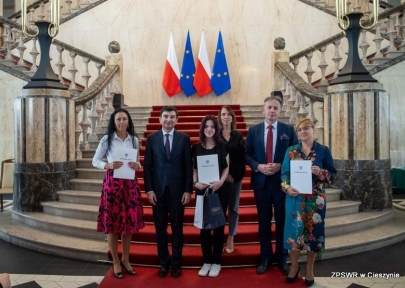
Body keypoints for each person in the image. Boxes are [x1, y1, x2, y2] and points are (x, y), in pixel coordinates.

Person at [245, 91, 298, 275]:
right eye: (269, 108)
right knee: (264, 222)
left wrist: (280, 166)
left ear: (280, 111)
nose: (272, 111)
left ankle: (281, 258)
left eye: (276, 108)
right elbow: (247, 154)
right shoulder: (253, 131)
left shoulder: (288, 131)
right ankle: (265, 257)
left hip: (282, 184)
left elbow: (296, 155)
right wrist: (258, 166)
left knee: (282, 222)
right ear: (263, 110)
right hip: (261, 184)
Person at [281, 118, 336, 286]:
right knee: (293, 235)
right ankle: (294, 267)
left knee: (314, 235)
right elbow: (284, 175)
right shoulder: (291, 151)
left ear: (313, 130)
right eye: (299, 129)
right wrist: (287, 187)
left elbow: (332, 175)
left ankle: (310, 269)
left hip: (315, 202)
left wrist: (321, 172)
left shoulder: (323, 151)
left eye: (306, 128)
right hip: (295, 199)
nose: (303, 132)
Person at [92, 108, 144, 279]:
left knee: (128, 223)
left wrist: (138, 166)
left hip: (129, 184)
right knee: (112, 223)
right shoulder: (107, 140)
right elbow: (95, 160)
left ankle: (126, 259)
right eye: (118, 119)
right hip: (112, 185)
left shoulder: (134, 140)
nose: (121, 122)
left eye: (124, 119)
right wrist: (106, 165)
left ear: (128, 121)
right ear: (113, 122)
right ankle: (115, 260)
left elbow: (136, 162)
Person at [143, 106, 193, 278]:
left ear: (176, 120)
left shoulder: (184, 138)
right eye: (165, 116)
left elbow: (188, 167)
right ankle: (164, 263)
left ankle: (176, 264)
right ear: (160, 119)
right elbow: (147, 166)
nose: (169, 120)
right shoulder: (152, 138)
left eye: (172, 117)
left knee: (178, 229)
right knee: (160, 229)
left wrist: (188, 190)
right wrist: (149, 189)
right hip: (158, 192)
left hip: (178, 192)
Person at [193, 115, 230, 277]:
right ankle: (206, 261)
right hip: (202, 190)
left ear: (216, 129)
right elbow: (194, 169)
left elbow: (226, 168)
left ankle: (216, 262)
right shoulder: (195, 147)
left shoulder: (223, 146)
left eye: (212, 127)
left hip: (219, 190)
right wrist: (195, 183)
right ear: (202, 129)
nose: (209, 129)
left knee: (218, 226)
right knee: (204, 227)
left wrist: (220, 182)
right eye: (206, 126)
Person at [217, 106, 246, 254]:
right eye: (223, 114)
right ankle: (219, 237)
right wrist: (223, 176)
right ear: (220, 117)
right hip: (219, 180)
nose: (226, 117)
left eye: (229, 114)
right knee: (221, 209)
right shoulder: (216, 135)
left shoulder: (238, 136)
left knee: (233, 208)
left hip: (235, 178)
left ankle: (231, 237)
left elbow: (241, 159)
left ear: (232, 117)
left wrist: (233, 175)